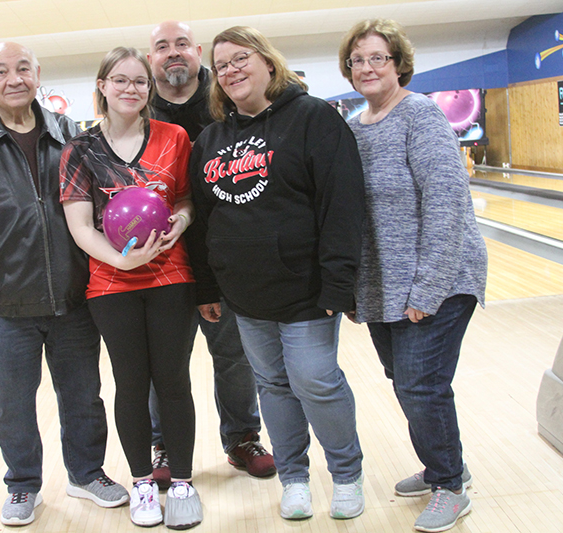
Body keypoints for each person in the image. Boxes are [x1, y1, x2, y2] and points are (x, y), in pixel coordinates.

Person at [0, 42, 129, 527]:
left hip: (73, 297)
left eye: (23, 69)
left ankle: (86, 473)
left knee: (83, 395)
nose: (14, 79)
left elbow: (101, 204)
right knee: (12, 403)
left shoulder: (68, 134)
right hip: (1, 303)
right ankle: (22, 485)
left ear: (38, 75)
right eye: (1, 70)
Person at [188, 26, 366, 522]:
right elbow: (203, 220)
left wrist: (339, 283)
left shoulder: (313, 118)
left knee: (316, 381)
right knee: (273, 386)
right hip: (246, 295)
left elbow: (342, 204)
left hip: (307, 289)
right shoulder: (211, 139)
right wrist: (208, 284)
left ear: (268, 61)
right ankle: (294, 479)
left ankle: (347, 475)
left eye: (240, 58)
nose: (231, 71)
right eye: (221, 66)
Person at [338, 19, 487, 533]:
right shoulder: (355, 129)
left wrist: (429, 287)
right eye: (358, 59)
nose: (367, 67)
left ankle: (450, 486)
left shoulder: (420, 115)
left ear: (399, 63)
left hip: (439, 278)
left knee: (422, 385)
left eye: (378, 57)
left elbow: (447, 203)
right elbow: (352, 215)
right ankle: (446, 464)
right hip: (384, 281)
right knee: (404, 381)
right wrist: (356, 287)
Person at [59, 46, 202, 530]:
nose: (130, 89)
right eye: (119, 80)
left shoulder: (173, 137)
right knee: (131, 383)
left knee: (174, 380)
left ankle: (181, 483)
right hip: (111, 281)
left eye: (139, 81)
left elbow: (184, 199)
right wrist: (122, 257)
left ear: (149, 88)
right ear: (102, 86)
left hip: (171, 275)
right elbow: (80, 226)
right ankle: (143, 483)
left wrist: (178, 225)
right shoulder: (79, 149)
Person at [146, 19, 275, 486]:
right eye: (162, 47)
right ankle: (161, 445)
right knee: (164, 363)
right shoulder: (140, 110)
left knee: (235, 358)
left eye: (182, 44)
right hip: (158, 264)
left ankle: (242, 438)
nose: (173, 53)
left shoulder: (227, 102)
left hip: (224, 260)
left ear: (198, 52)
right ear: (150, 59)